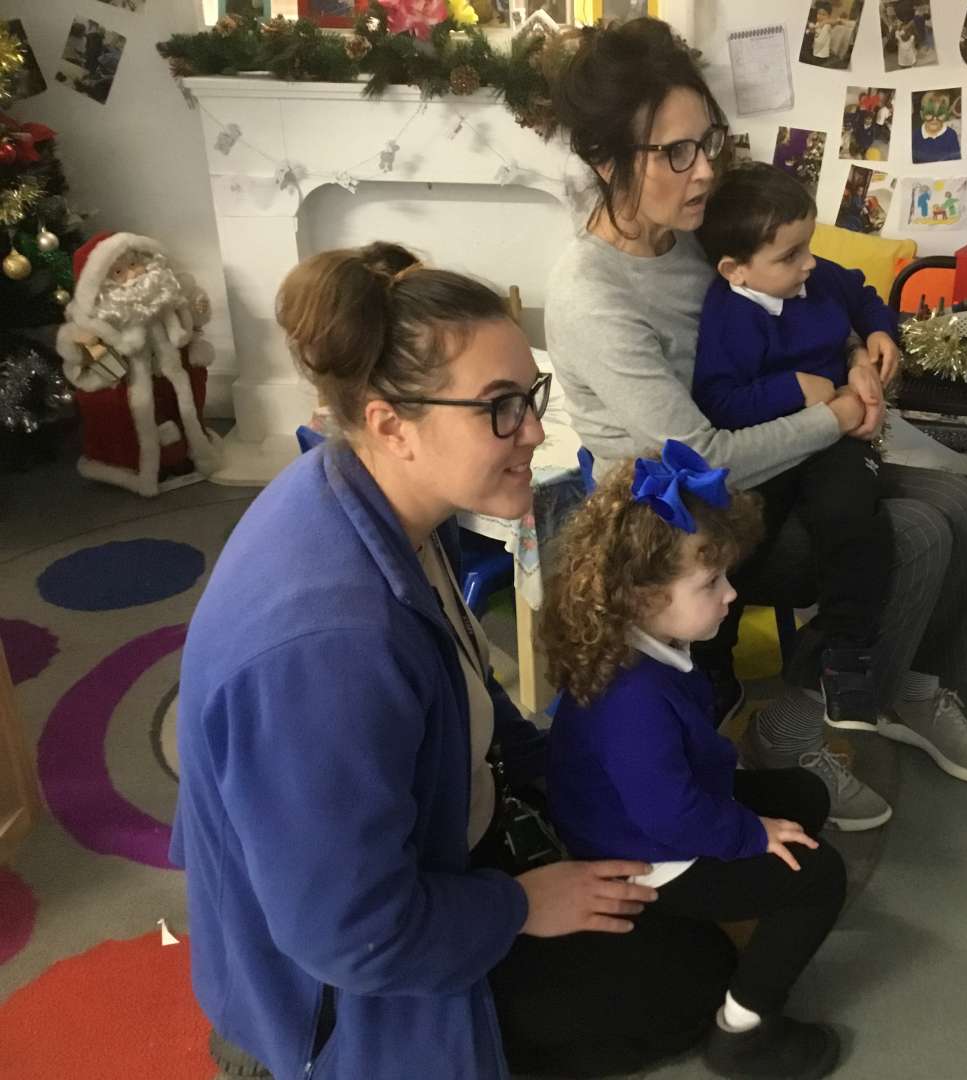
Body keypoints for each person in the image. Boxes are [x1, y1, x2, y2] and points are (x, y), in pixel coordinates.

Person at [171, 241, 738, 1080]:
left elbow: (466, 683)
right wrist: (519, 904)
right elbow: (352, 935)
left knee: (668, 913)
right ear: (390, 424)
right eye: (499, 408)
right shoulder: (329, 648)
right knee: (693, 980)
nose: (534, 430)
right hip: (337, 987)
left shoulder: (375, 494)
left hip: (428, 853)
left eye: (531, 396)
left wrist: (561, 773)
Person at [545, 18, 967, 839]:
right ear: (608, 161)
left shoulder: (694, 235)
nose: (704, 170)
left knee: (960, 501)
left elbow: (801, 293)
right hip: (683, 516)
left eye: (708, 142)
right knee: (912, 534)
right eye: (675, 153)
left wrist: (859, 353)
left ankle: (907, 684)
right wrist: (834, 414)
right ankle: (791, 725)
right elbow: (706, 460)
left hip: (780, 458)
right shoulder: (594, 296)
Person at [543, 441, 847, 1080]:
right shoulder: (633, 698)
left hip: (656, 814)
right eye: (711, 583)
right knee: (820, 876)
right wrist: (749, 833)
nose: (731, 594)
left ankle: (757, 917)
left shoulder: (645, 647)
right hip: (645, 855)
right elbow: (670, 815)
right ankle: (742, 1032)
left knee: (805, 797)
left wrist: (748, 820)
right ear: (642, 598)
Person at [694, 162, 895, 727]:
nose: (808, 262)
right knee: (739, 539)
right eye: (790, 256)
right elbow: (719, 401)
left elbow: (863, 294)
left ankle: (846, 654)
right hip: (772, 448)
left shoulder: (817, 279)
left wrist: (879, 331)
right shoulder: (727, 317)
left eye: (808, 245)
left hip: (835, 442)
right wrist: (792, 388)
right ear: (736, 270)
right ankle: (713, 666)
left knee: (854, 515)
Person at [914, 90, 962, 163]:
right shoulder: (916, 135)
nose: (935, 119)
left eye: (940, 114)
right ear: (921, 114)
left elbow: (956, 161)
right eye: (929, 113)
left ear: (946, 114)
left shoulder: (951, 135)